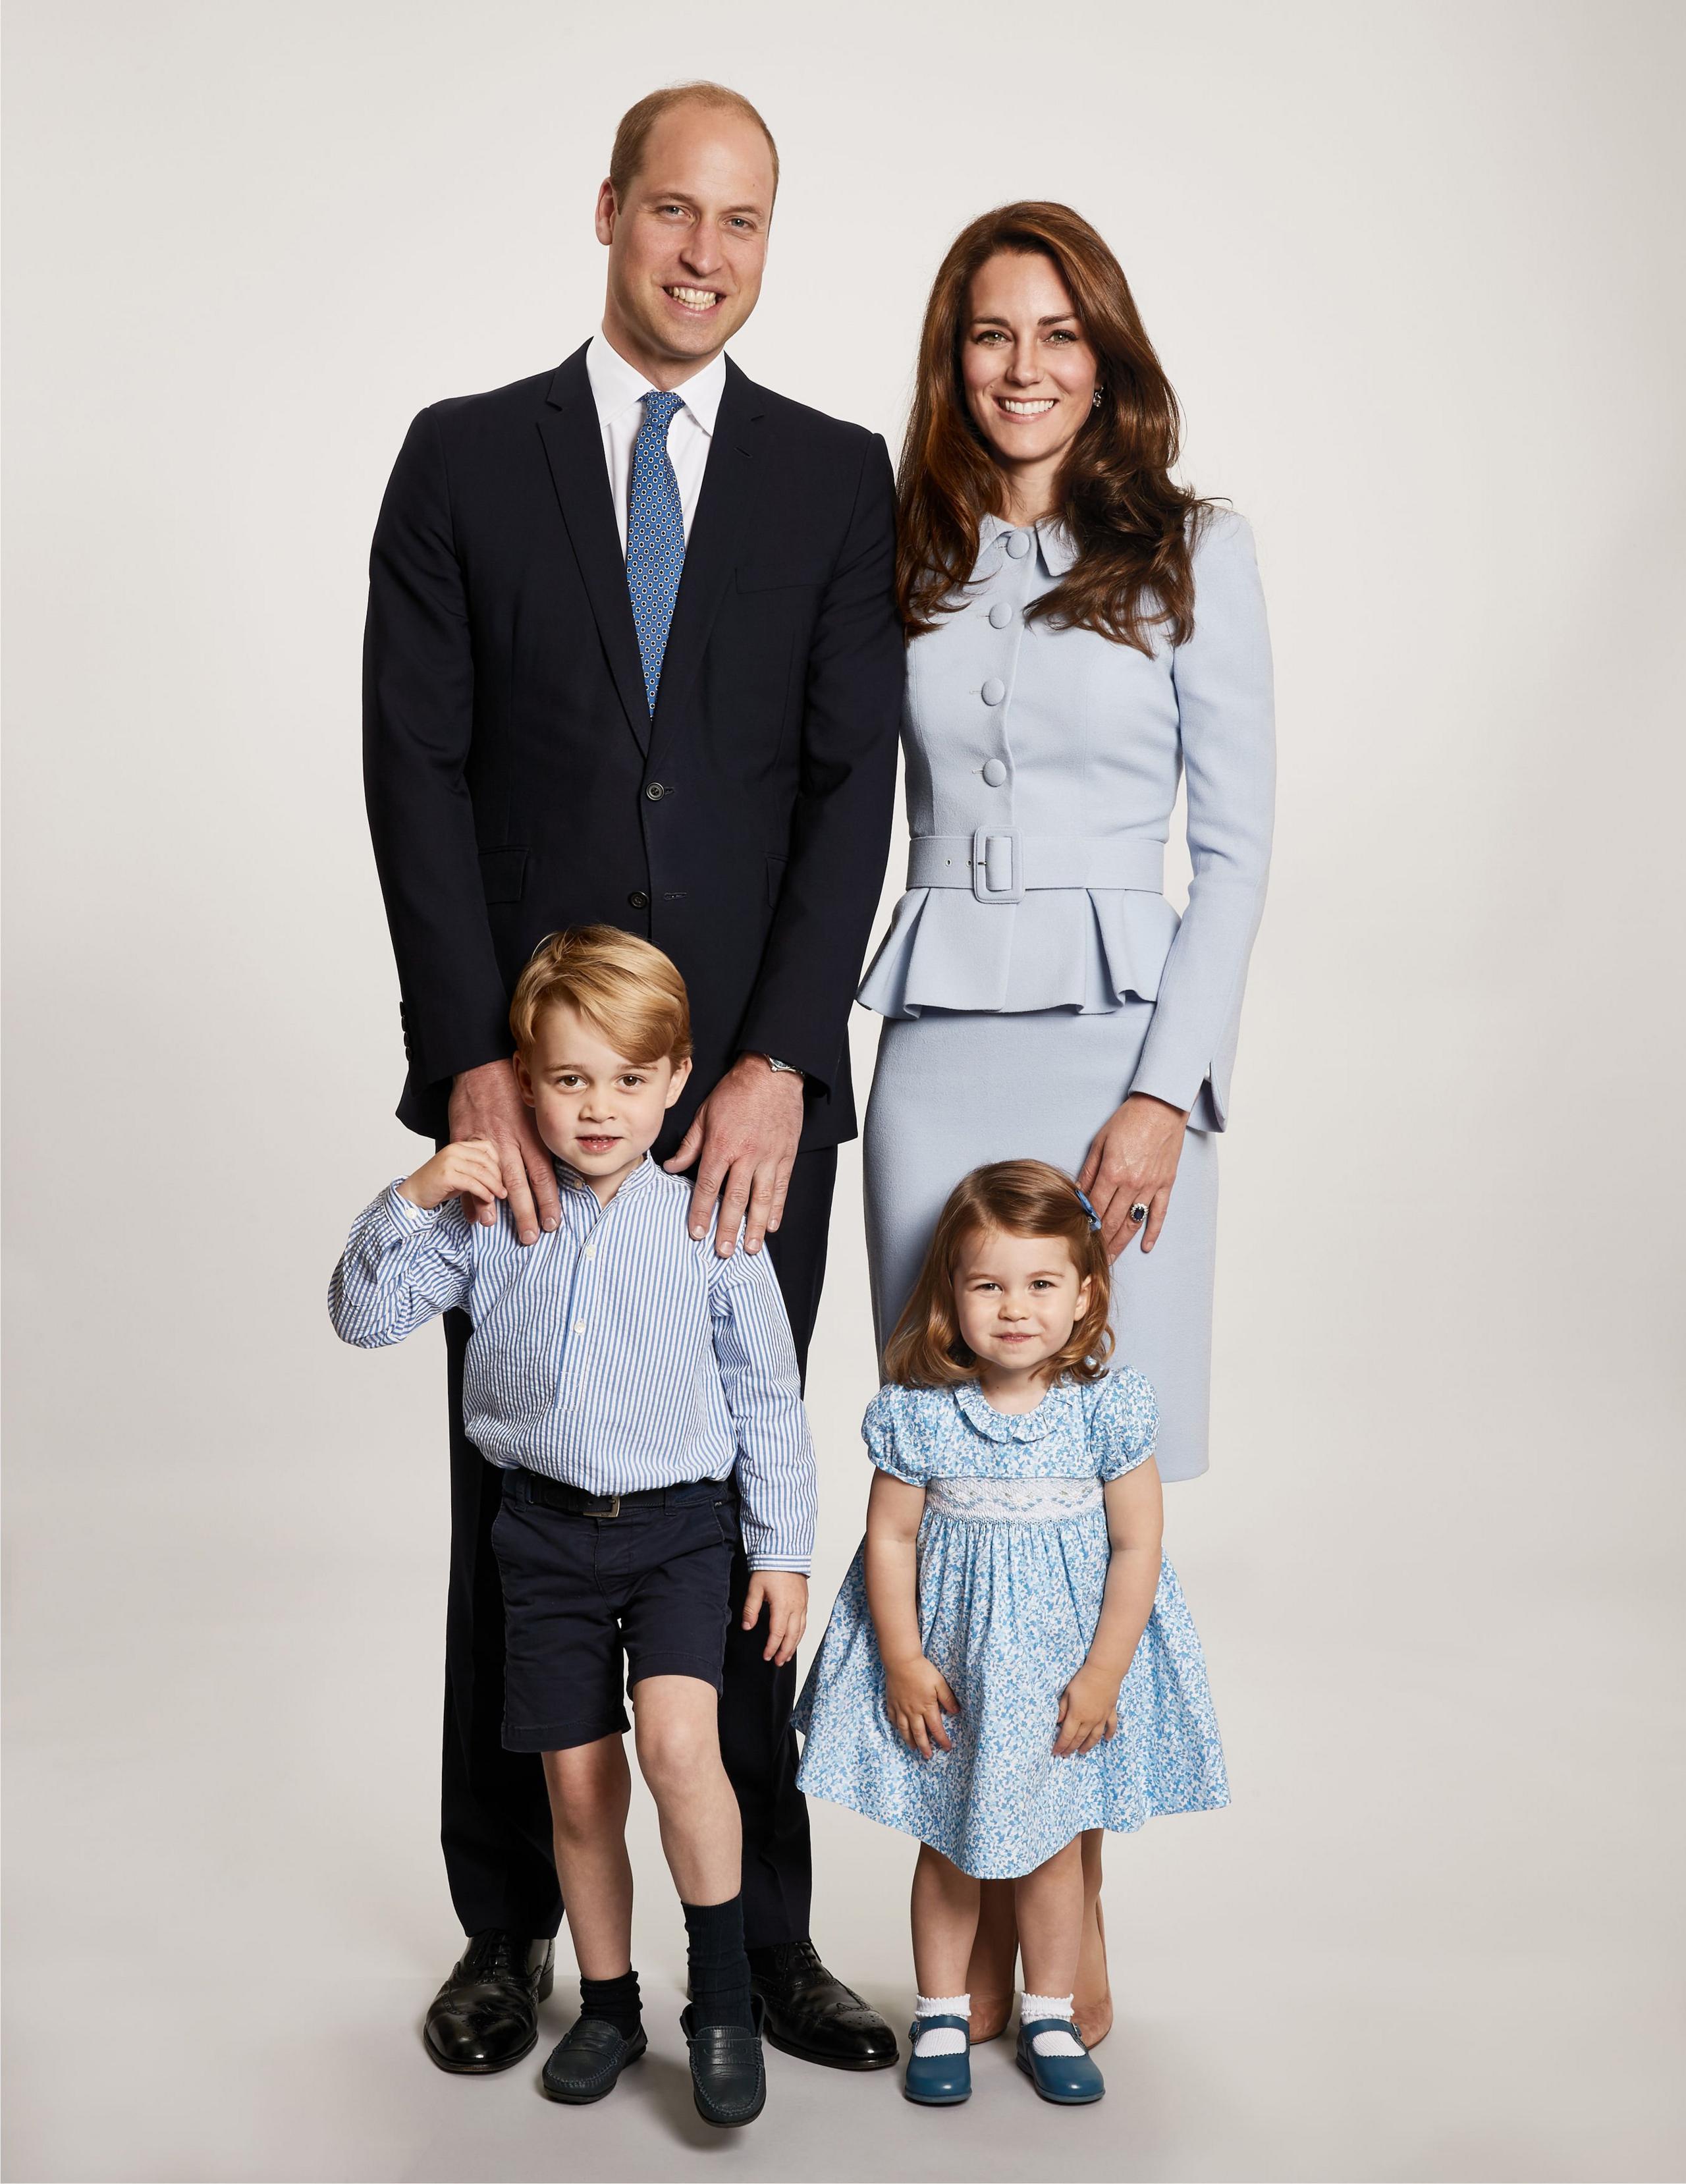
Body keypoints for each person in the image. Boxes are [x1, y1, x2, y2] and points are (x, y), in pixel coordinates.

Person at [361, 82, 902, 2073]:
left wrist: (778, 1057)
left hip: (741, 1116)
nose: (705, 253)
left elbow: (858, 787)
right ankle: (510, 1923)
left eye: (743, 222)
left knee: (740, 1506)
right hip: (534, 1098)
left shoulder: (840, 482)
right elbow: (411, 769)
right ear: (608, 213)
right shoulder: (465, 460)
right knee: (510, 1510)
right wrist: (468, 1072)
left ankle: (753, 1937)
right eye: (674, 211)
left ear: (770, 243)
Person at [857, 201, 1274, 2042]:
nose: (1021, 367)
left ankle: (1072, 1911)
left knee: (1091, 1486)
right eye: (986, 335)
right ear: (953, 363)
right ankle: (965, 1938)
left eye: (1057, 333)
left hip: (1119, 1051)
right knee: (958, 1499)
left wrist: (1164, 1093)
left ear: (1106, 355)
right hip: (939, 1043)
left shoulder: (1196, 551)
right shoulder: (904, 552)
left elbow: (1242, 847)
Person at [331, 927, 815, 2126]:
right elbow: (361, 1315)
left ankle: (723, 2003)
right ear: (526, 1079)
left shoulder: (709, 1224)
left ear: (678, 1075)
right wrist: (414, 1193)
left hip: (679, 1538)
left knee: (677, 1749)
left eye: (630, 1080)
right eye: (568, 1079)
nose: (599, 1109)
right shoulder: (494, 1217)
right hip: (540, 1537)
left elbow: (768, 1396)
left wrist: (784, 1550)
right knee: (581, 1785)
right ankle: (608, 2004)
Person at [794, 1161, 1226, 2108]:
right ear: (951, 1295)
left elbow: (1138, 1542)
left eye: (1041, 1284)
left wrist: (1106, 1672)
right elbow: (891, 1539)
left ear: (1085, 1294)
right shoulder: (921, 1414)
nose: (1015, 1308)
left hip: (1065, 1681)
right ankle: (942, 2010)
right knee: (947, 1846)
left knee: (1055, 1848)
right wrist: (903, 1662)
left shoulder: (1106, 1409)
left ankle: (1048, 2010)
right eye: (989, 1284)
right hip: (958, 1677)